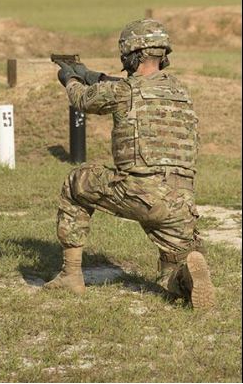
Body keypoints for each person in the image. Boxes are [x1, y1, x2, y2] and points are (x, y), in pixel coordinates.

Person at [44, 19, 215, 309]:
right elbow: (128, 86)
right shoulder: (181, 93)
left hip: (141, 192)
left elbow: (83, 100)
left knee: (76, 183)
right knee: (170, 268)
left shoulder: (125, 92)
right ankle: (186, 277)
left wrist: (70, 78)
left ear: (130, 55)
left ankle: (70, 275)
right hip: (181, 203)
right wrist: (92, 74)